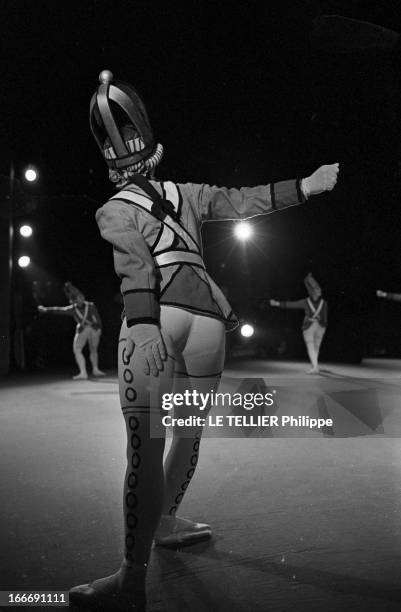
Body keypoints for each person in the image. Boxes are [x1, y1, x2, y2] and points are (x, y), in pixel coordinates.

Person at [68, 69, 339, 610]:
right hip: (209, 324)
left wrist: (143, 325)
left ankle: (130, 578)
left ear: (109, 160)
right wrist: (305, 186)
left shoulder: (115, 209)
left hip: (160, 318)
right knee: (187, 436)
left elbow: (136, 268)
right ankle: (166, 521)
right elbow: (244, 201)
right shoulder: (186, 192)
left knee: (143, 450)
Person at [37, 282, 105, 380]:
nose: (81, 298)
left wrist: (98, 329)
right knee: (78, 349)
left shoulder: (90, 306)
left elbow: (98, 320)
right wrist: (46, 309)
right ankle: (84, 372)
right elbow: (58, 310)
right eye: (79, 297)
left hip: (92, 329)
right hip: (88, 329)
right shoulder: (74, 309)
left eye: (81, 296)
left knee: (91, 349)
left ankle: (94, 370)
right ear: (75, 300)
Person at [270, 273, 328, 373]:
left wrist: (277, 303)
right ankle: (315, 366)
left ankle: (315, 366)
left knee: (314, 346)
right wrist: (277, 303)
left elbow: (325, 317)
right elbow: (292, 305)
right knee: (313, 346)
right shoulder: (314, 302)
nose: (320, 290)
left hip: (314, 326)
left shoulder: (322, 303)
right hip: (316, 326)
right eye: (318, 289)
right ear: (313, 292)